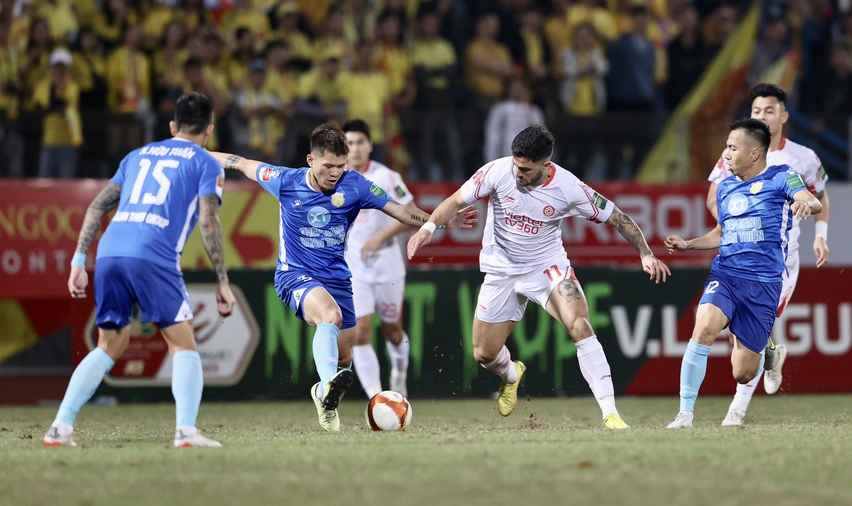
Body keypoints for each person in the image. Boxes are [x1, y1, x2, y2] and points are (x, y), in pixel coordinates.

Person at [209, 123, 476, 432]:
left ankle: (326, 395)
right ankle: (324, 388)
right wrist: (196, 153)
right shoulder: (284, 180)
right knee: (329, 316)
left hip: (337, 278)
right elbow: (239, 162)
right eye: (328, 166)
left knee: (345, 356)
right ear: (311, 161)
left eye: (340, 165)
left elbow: (400, 211)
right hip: (295, 274)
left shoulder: (356, 185)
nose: (335, 173)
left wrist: (439, 222)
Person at [406, 124, 671, 429]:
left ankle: (611, 414)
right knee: (483, 353)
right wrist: (427, 230)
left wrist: (645, 252)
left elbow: (617, 216)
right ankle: (511, 374)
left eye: (526, 169)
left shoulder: (569, 188)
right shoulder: (497, 171)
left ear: (546, 165)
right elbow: (455, 201)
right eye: (516, 165)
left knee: (580, 325)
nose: (518, 173)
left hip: (547, 268)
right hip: (501, 271)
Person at [43, 92, 236, 448]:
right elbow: (209, 222)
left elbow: (97, 208)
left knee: (108, 343)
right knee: (183, 343)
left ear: (172, 126)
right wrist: (222, 280)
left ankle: (60, 426)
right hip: (153, 254)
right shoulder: (207, 163)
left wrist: (77, 261)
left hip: (109, 252)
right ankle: (186, 431)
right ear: (209, 130)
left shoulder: (136, 156)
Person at [665, 118, 822, 429]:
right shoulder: (725, 187)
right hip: (726, 274)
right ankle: (684, 415)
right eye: (726, 146)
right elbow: (722, 232)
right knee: (704, 329)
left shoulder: (782, 176)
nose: (725, 153)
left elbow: (811, 200)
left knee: (742, 373)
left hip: (763, 284)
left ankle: (770, 354)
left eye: (732, 147)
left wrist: (807, 206)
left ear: (753, 153)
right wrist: (689, 244)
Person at [705, 84, 830, 426]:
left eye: (769, 110)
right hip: (739, 259)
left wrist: (821, 236)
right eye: (757, 110)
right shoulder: (736, 152)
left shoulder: (802, 158)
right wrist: (734, 223)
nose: (762, 116)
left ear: (784, 116)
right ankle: (773, 353)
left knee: (750, 335)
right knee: (739, 332)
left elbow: (820, 197)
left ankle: (736, 412)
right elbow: (713, 198)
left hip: (779, 265)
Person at [343, 119, 414, 397]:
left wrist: (379, 238)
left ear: (370, 145)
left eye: (360, 142)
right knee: (360, 332)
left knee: (393, 330)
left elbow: (408, 213)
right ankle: (377, 397)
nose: (356, 149)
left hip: (387, 263)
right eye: (349, 143)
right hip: (354, 268)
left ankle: (399, 372)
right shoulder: (337, 179)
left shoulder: (386, 176)